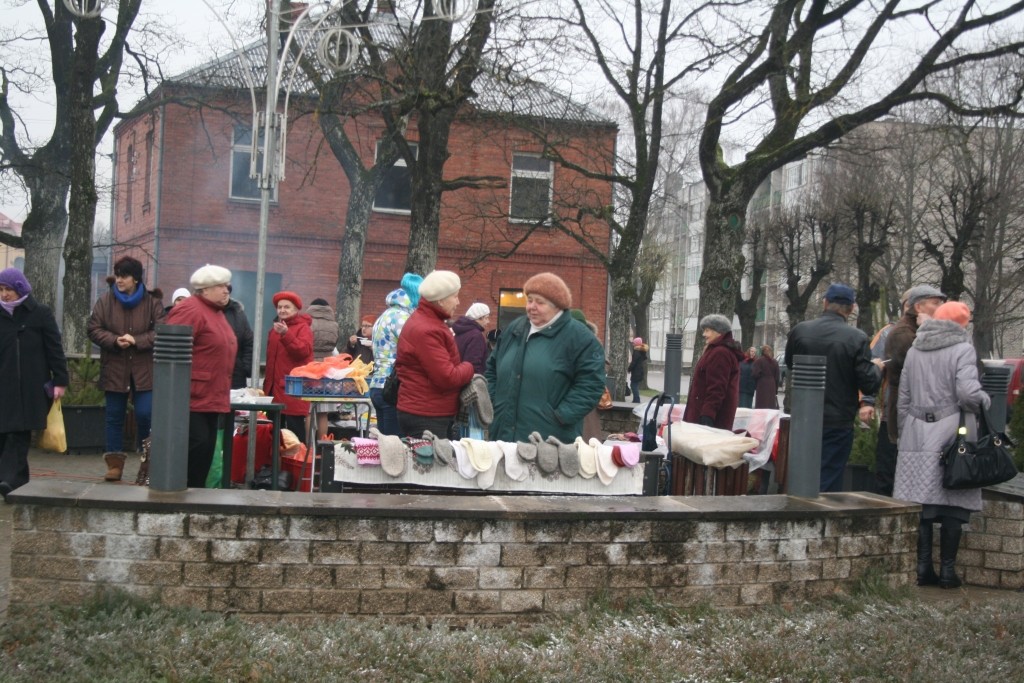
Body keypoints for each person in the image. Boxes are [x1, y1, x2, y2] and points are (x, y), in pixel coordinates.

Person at [894, 301, 989, 589]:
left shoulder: (914, 350)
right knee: (954, 502)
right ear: (962, 325)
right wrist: (985, 400)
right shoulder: (963, 349)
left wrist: (904, 435)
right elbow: (968, 393)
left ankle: (923, 568)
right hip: (951, 432)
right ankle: (948, 572)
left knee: (921, 503)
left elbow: (904, 398)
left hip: (915, 431)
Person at [785, 283, 883, 492]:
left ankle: (799, 517)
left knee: (800, 475)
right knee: (829, 478)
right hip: (838, 419)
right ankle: (821, 520)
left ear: (825, 302)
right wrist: (877, 369)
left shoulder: (800, 330)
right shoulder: (857, 338)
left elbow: (792, 365)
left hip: (803, 417)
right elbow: (868, 382)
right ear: (851, 308)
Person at [486, 272, 606, 443]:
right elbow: (491, 368)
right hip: (502, 436)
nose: (531, 307)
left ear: (557, 306)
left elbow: (591, 384)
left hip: (549, 440)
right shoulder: (515, 329)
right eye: (529, 300)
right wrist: (494, 401)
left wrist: (559, 417)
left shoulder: (579, 338)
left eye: (540, 302)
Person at [87, 256, 166, 482]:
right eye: (117, 275)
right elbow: (93, 328)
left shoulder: (152, 303)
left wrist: (137, 340)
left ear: (136, 278)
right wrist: (114, 340)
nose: (119, 280)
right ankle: (114, 466)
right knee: (114, 417)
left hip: (144, 368)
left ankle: (147, 462)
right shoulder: (105, 301)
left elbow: (162, 330)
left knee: (145, 414)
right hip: (115, 367)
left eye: (124, 276)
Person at [166, 264, 238, 487]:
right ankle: (181, 493)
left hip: (211, 395)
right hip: (192, 395)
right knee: (197, 444)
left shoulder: (216, 312)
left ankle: (194, 494)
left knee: (206, 448)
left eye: (227, 286)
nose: (227, 290)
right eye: (220, 286)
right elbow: (172, 352)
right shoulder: (191, 310)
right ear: (204, 290)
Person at [0, 268, 68, 500]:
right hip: (4, 386)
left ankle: (10, 481)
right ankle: (16, 481)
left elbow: (54, 348)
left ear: (19, 288)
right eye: (0, 289)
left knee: (18, 434)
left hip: (31, 388)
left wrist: (60, 380)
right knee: (4, 434)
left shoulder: (39, 313)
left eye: (8, 289)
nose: (4, 294)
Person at [877, 285, 947, 496]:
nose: (940, 307)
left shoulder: (917, 330)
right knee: (894, 469)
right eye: (935, 302)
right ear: (918, 306)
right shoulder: (902, 333)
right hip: (904, 411)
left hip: (919, 410)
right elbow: (922, 369)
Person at [395, 270, 474, 438]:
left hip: (426, 411)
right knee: (431, 464)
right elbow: (447, 377)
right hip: (427, 415)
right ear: (441, 299)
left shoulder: (427, 322)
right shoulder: (427, 329)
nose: (458, 302)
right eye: (455, 296)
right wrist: (469, 367)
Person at [871, 287, 914, 494]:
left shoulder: (929, 332)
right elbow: (873, 366)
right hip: (893, 409)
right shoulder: (889, 332)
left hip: (921, 413)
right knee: (887, 463)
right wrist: (867, 402)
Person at [369, 273, 422, 436]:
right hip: (392, 387)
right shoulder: (402, 318)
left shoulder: (384, 316)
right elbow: (415, 349)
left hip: (377, 385)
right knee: (394, 447)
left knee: (384, 444)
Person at [263, 291, 314, 438]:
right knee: (273, 433)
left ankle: (296, 461)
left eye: (287, 307)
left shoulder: (303, 328)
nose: (282, 310)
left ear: (296, 309)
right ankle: (274, 461)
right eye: (279, 307)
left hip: (293, 390)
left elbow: (303, 352)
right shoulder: (274, 330)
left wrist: (286, 334)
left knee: (295, 433)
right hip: (273, 390)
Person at [683, 315, 743, 429]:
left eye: (707, 330)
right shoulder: (716, 350)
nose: (704, 334)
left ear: (719, 332)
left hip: (710, 418)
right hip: (705, 413)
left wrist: (707, 415)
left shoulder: (720, 353)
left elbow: (717, 387)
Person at [306, 297, 340, 439]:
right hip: (327, 369)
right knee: (323, 411)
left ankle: (308, 447)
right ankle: (323, 445)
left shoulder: (307, 323)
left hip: (309, 368)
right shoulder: (334, 325)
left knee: (308, 410)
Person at [223, 287, 254, 390]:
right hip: (210, 375)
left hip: (236, 376)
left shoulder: (239, 314)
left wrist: (244, 368)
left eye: (227, 291)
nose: (225, 293)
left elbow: (249, 343)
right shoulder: (205, 312)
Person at [453, 302, 491, 374]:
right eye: (486, 318)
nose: (488, 321)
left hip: (458, 377)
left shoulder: (461, 331)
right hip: (470, 381)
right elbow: (473, 366)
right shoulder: (476, 336)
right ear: (479, 318)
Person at [752, 344, 782, 409]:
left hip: (762, 384)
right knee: (770, 404)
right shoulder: (775, 362)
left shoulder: (759, 361)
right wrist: (776, 389)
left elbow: (755, 374)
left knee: (761, 404)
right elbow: (777, 377)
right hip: (772, 384)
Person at [628, 337, 648, 404]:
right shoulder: (641, 351)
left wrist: (629, 368)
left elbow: (634, 362)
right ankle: (635, 399)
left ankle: (636, 400)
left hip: (636, 372)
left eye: (634, 343)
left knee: (633, 385)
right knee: (634, 385)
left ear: (636, 344)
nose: (633, 344)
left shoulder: (636, 352)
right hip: (639, 372)